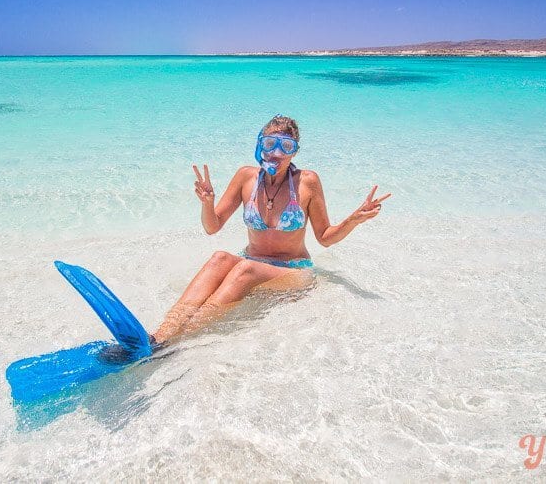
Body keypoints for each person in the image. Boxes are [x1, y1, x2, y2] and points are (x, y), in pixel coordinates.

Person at [150, 115, 391, 345]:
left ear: (295, 151)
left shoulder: (307, 181)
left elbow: (325, 238)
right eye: (269, 143)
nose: (276, 153)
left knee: (245, 268)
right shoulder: (246, 177)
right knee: (219, 258)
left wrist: (354, 219)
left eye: (286, 146)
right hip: (252, 262)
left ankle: (176, 342)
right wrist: (207, 203)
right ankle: (160, 335)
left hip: (294, 271)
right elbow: (212, 227)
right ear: (259, 144)